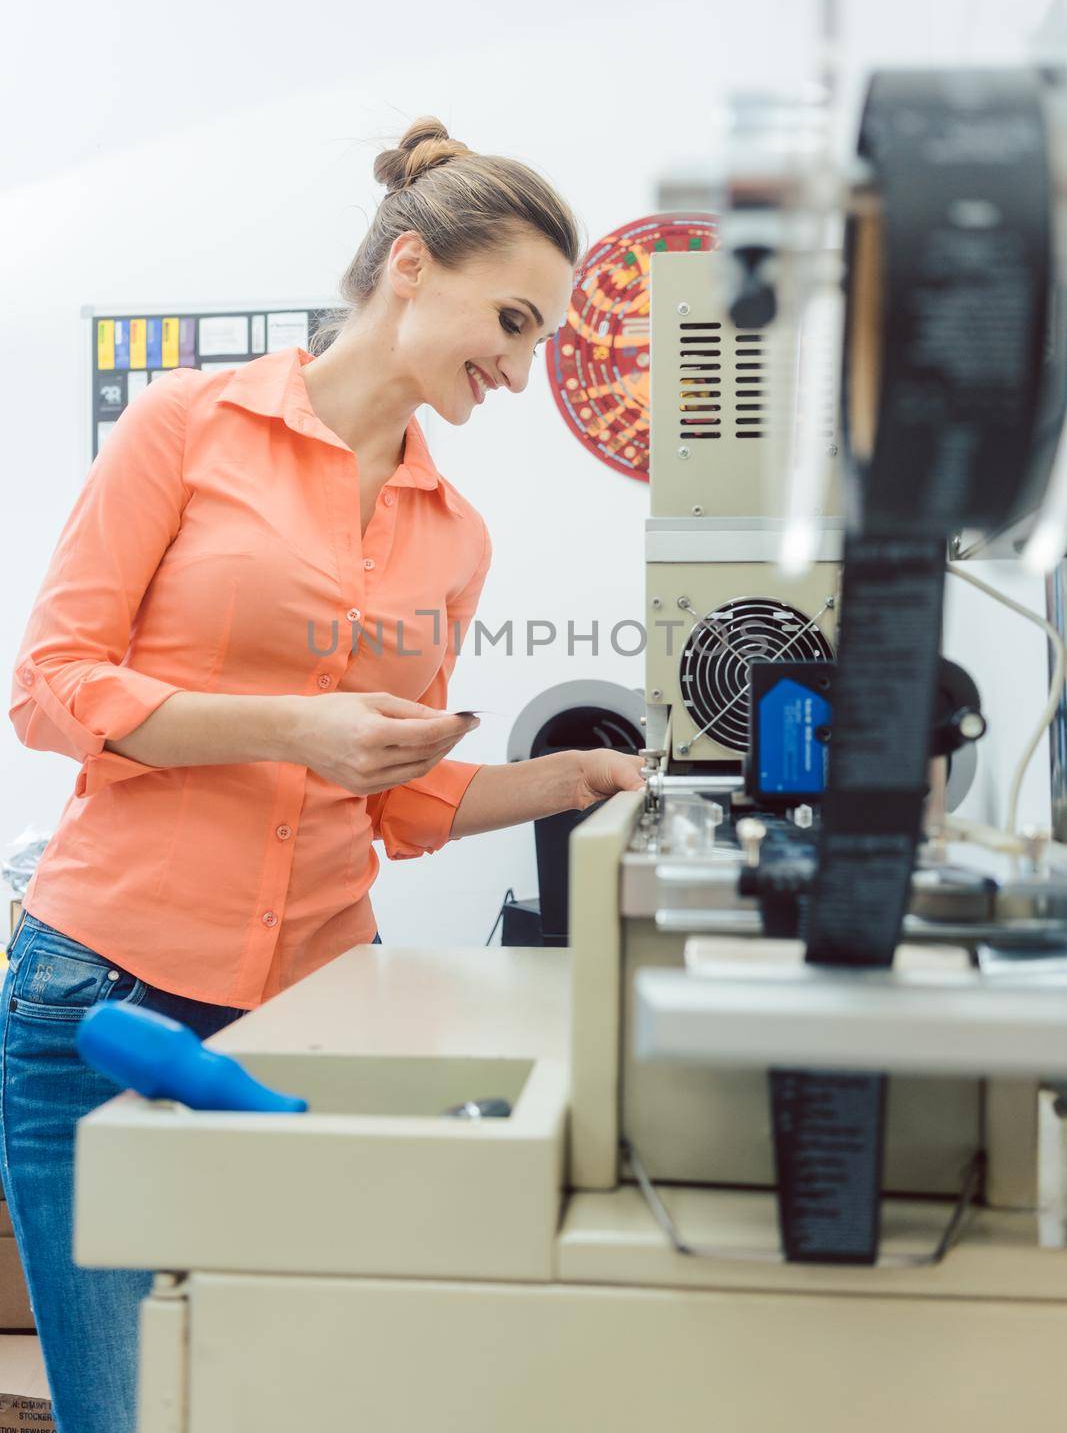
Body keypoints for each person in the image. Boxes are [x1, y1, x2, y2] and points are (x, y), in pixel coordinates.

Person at [2, 115, 645, 1433]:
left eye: (542, 341)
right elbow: (52, 688)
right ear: (410, 264)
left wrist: (570, 777)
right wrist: (294, 729)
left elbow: (398, 803)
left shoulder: (453, 534)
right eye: (513, 322)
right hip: (99, 994)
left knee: (281, 1395)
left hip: (307, 1010)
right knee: (118, 1411)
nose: (523, 370)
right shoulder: (189, 422)